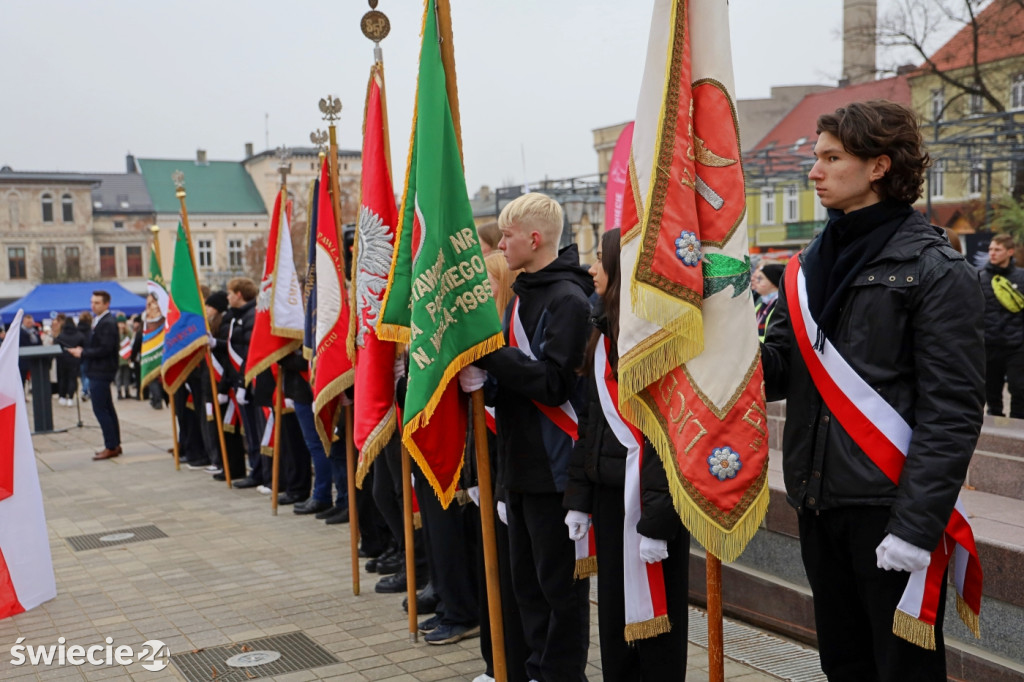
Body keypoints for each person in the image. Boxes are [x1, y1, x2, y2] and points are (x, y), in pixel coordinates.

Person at [760, 100, 985, 681]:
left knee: (902, 672)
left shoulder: (936, 268)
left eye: (832, 158)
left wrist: (915, 526)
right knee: (845, 665)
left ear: (879, 166)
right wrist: (716, 335)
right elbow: (778, 373)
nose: (814, 172)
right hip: (817, 501)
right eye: (817, 157)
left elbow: (952, 412)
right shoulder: (807, 265)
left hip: (889, 510)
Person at [475, 192, 594, 682]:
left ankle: (562, 675)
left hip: (554, 468)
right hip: (519, 467)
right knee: (525, 586)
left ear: (535, 238)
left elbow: (552, 383)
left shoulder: (567, 297)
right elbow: (515, 382)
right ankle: (533, 671)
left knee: (558, 591)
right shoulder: (523, 292)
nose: (502, 244)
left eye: (507, 235)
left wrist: (490, 355)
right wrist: (485, 384)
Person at [563, 228, 689, 681]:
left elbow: (665, 437)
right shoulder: (603, 331)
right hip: (609, 496)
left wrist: (656, 522)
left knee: (657, 628)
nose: (593, 269)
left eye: (601, 259)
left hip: (652, 503)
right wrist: (579, 497)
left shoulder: (654, 337)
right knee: (616, 618)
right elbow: (591, 423)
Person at [69, 291, 123, 460]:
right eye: (92, 302)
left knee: (100, 409)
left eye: (98, 303)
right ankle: (115, 443)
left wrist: (83, 353)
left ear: (106, 304)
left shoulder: (107, 322)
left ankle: (111, 445)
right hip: (100, 369)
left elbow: (105, 349)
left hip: (101, 370)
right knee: (107, 408)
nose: (93, 305)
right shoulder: (101, 321)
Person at [978, 233, 1024, 418]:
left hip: (1017, 346)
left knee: (1019, 389)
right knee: (992, 392)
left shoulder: (1021, 277)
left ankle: (1018, 433)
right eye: (990, 249)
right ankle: (997, 434)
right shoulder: (980, 278)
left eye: (997, 249)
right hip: (989, 345)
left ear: (1010, 252)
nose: (992, 253)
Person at [54, 315, 84, 406]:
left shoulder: (61, 335)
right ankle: (70, 397)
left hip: (62, 359)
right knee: (73, 379)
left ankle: (62, 396)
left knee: (63, 378)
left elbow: (56, 346)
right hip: (74, 359)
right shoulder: (79, 335)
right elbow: (83, 344)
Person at [752, 263, 784, 343]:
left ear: (773, 282)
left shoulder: (781, 306)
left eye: (760, 279)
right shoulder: (760, 305)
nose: (756, 282)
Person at [18, 313, 41, 384]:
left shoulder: (35, 332)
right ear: (23, 322)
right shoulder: (20, 332)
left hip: (34, 360)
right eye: (28, 322)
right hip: (23, 361)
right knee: (22, 380)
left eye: (31, 322)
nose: (29, 324)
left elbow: (39, 343)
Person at [115, 314, 133, 399]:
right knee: (118, 375)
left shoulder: (128, 333)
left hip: (126, 357)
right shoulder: (115, 333)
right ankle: (119, 392)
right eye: (120, 323)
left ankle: (127, 391)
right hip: (118, 357)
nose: (121, 325)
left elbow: (131, 344)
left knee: (126, 375)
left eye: (123, 323)